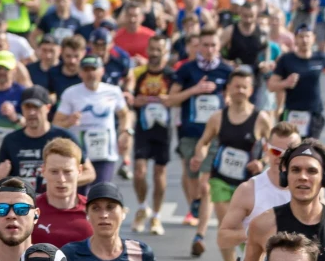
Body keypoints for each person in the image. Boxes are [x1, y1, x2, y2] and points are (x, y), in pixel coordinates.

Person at [191, 66, 273, 261]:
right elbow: (204, 142)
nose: (240, 91)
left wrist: (261, 162)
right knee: (226, 226)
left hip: (248, 184)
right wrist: (199, 155)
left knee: (248, 228)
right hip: (221, 179)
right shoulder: (218, 117)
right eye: (236, 86)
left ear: (251, 90)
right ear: (228, 88)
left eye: (244, 87)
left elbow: (274, 148)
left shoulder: (261, 118)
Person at [217, 122, 302, 261]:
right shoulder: (249, 190)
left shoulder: (309, 190)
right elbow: (223, 238)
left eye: (288, 152)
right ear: (266, 149)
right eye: (275, 151)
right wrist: (255, 234)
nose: (281, 157)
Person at [170, 27, 234, 231]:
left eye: (213, 45)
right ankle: (195, 204)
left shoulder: (226, 71)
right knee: (192, 175)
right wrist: (194, 90)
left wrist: (228, 103)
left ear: (219, 46)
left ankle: (201, 230)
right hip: (190, 133)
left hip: (216, 134)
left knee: (206, 184)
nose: (209, 49)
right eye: (205, 45)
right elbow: (171, 99)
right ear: (198, 46)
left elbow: (233, 98)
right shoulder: (186, 70)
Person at [0, 86, 96, 193]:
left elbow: (90, 173)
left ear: (48, 108)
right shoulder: (11, 140)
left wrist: (61, 182)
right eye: (27, 107)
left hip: (57, 201)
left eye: (36, 107)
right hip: (23, 201)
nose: (31, 112)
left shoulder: (64, 137)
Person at [53, 55, 131, 186]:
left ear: (102, 71)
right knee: (82, 194)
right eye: (86, 70)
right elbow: (56, 123)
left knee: (102, 191)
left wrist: (125, 132)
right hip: (80, 154)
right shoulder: (70, 93)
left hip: (106, 153)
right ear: (80, 73)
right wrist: (69, 121)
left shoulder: (113, 91)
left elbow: (124, 114)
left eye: (93, 69)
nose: (90, 73)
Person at [130, 34, 175, 235]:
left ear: (165, 52)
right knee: (139, 171)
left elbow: (177, 97)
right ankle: (142, 207)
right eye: (152, 49)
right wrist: (135, 101)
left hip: (163, 130)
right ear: (147, 50)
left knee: (159, 173)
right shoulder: (139, 73)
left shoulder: (171, 75)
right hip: (143, 128)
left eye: (159, 50)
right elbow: (129, 95)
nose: (155, 53)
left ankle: (156, 216)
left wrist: (170, 99)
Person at [268, 25, 325, 140]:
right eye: (301, 37)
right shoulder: (286, 59)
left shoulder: (320, 57)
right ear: (295, 39)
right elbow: (271, 86)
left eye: (307, 36)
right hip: (292, 111)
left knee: (309, 147)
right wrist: (286, 83)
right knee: (290, 147)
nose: (304, 40)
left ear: (313, 38)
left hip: (313, 112)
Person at [33, 138, 92, 247]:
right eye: (54, 171)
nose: (61, 179)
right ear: (43, 171)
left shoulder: (93, 211)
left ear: (79, 171)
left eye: (67, 172)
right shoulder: (29, 211)